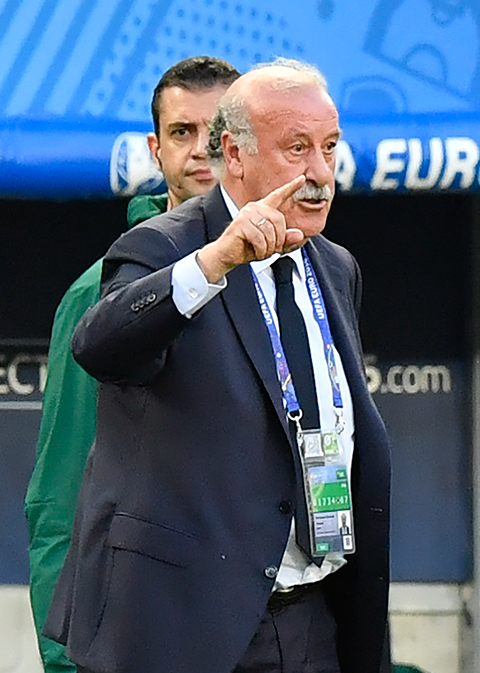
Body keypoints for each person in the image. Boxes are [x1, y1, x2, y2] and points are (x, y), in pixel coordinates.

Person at [43, 58, 392, 673]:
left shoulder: (336, 266)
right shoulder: (164, 245)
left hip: (313, 619)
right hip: (185, 625)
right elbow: (100, 346)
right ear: (234, 154)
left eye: (330, 147)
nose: (319, 173)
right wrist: (215, 263)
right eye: (297, 149)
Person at [23, 55, 239, 673]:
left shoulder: (299, 277)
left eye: (218, 132)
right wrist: (66, 656)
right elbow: (62, 492)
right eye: (182, 131)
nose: (200, 150)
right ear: (155, 148)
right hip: (152, 627)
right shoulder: (101, 293)